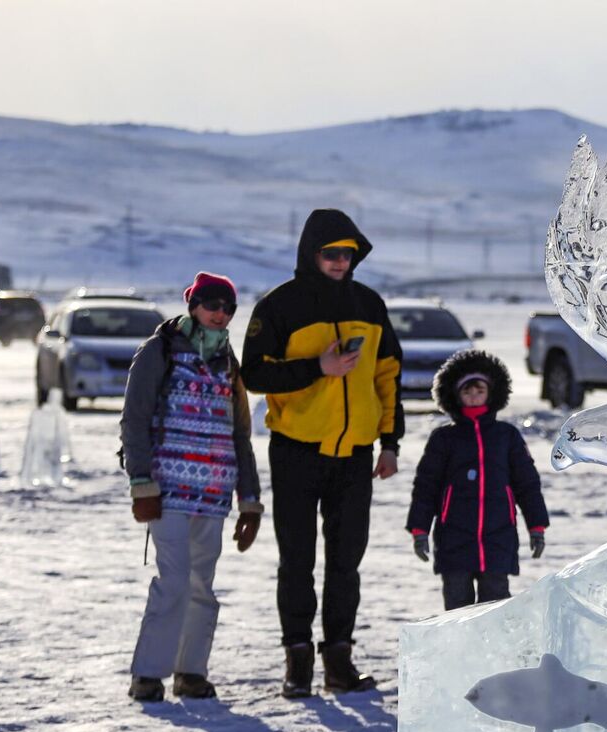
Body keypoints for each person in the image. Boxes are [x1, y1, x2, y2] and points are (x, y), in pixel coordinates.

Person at [241, 209, 404, 698]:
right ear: (311, 253)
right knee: (297, 561)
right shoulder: (279, 306)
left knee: (345, 563)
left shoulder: (370, 304)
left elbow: (387, 376)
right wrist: (318, 367)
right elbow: (255, 375)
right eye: (331, 253)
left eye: (347, 254)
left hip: (354, 455)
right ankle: (298, 664)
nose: (339, 261)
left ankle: (339, 662)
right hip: (296, 452)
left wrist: (390, 442)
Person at [120, 272, 262, 702]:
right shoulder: (159, 351)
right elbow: (135, 419)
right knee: (175, 580)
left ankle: (191, 672)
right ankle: (148, 673)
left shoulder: (229, 363)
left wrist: (250, 499)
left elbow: (240, 434)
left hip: (214, 493)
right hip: (167, 491)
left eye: (228, 308)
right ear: (193, 305)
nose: (220, 314)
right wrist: (141, 482)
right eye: (212, 305)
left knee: (202, 584)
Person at [407, 351, 549, 610]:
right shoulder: (444, 439)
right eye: (467, 392)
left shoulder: (506, 436)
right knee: (457, 605)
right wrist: (419, 529)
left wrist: (536, 525)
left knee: (494, 605)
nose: (473, 396)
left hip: (498, 536)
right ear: (455, 396)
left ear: (491, 393)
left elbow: (527, 484)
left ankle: (494, 652)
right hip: (454, 536)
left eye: (479, 390)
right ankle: (458, 651)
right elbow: (426, 486)